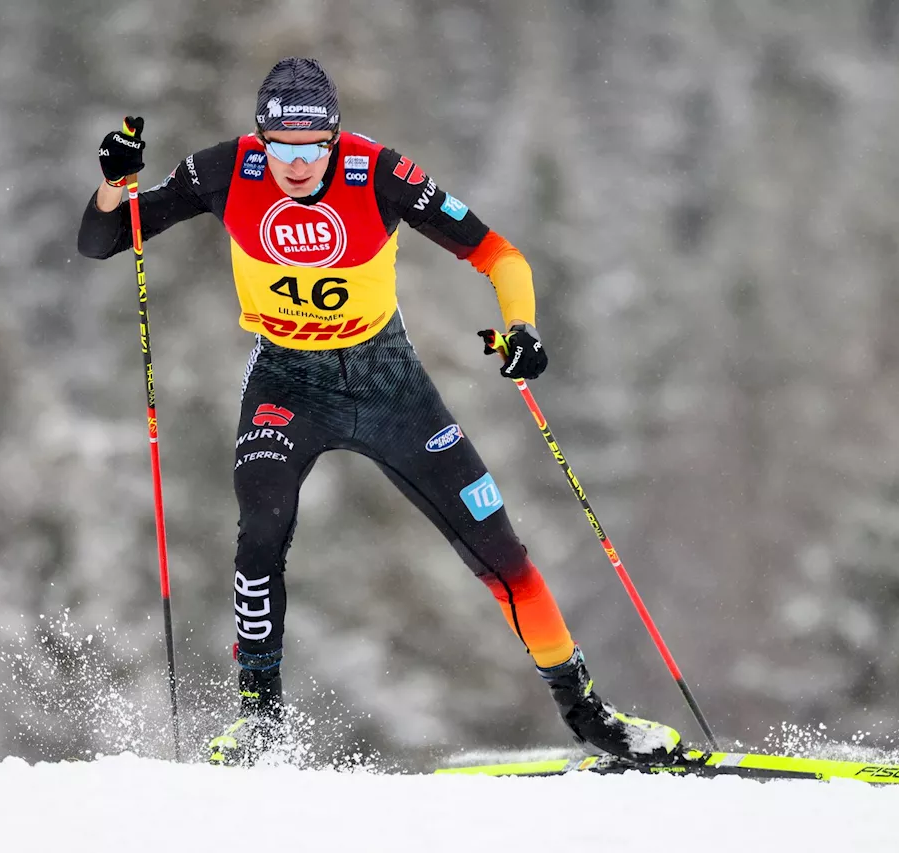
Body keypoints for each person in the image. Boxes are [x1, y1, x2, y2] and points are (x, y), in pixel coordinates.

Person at [78, 57, 681, 767]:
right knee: (262, 525)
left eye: (311, 149)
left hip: (387, 378)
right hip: (285, 379)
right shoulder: (225, 170)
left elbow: (500, 255)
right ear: (260, 140)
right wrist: (114, 185)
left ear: (334, 141)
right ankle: (260, 722)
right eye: (281, 149)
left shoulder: (381, 174)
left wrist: (522, 328)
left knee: (500, 551)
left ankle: (589, 713)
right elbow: (104, 240)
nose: (296, 166)